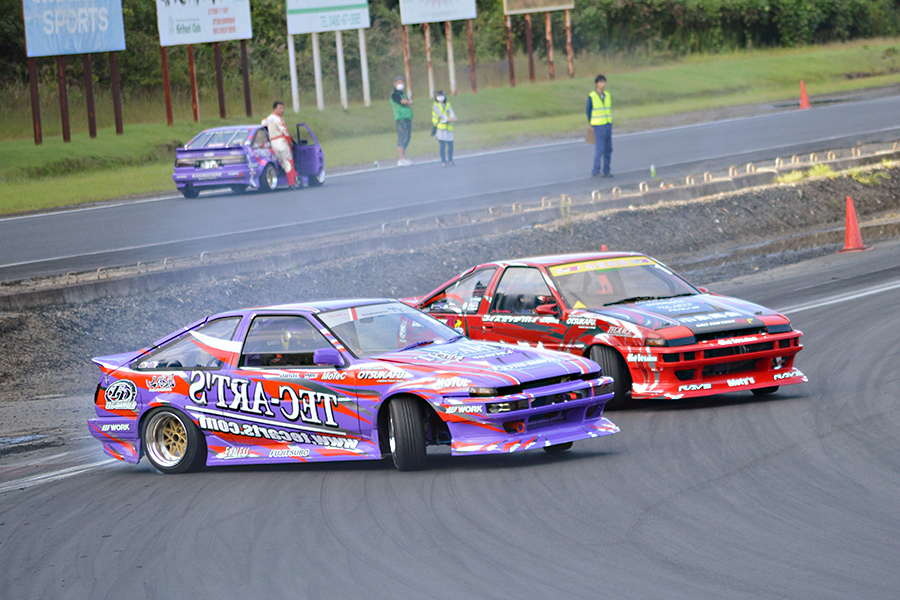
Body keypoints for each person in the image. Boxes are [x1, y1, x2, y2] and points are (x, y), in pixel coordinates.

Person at [261, 101, 298, 189]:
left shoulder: (269, 118)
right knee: (288, 162)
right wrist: (289, 141)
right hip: (281, 142)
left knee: (281, 162)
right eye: (280, 108)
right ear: (275, 109)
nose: (282, 110)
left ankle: (292, 177)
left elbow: (262, 123)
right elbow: (284, 131)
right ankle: (292, 183)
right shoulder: (279, 119)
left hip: (273, 143)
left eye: (283, 108)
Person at [587, 75, 612, 177]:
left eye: (604, 82)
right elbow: (588, 111)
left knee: (608, 149)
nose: (603, 84)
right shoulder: (592, 96)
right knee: (600, 148)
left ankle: (606, 170)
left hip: (607, 124)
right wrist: (591, 125)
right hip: (598, 125)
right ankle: (596, 171)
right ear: (596, 84)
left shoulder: (607, 95)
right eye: (601, 82)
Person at [391, 76, 414, 166]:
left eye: (401, 82)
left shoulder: (403, 93)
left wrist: (409, 102)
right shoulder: (395, 94)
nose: (400, 84)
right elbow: (403, 102)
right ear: (394, 84)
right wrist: (408, 102)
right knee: (402, 138)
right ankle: (400, 159)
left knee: (407, 138)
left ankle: (404, 158)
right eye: (398, 82)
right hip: (401, 119)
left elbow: (408, 102)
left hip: (407, 118)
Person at [432, 91, 457, 167]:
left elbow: (451, 112)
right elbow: (440, 114)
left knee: (451, 145)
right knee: (442, 146)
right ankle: (443, 161)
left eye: (442, 95)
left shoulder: (447, 104)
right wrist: (447, 118)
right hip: (440, 127)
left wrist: (453, 117)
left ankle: (450, 160)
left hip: (448, 128)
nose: (440, 97)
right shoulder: (435, 105)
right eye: (439, 96)